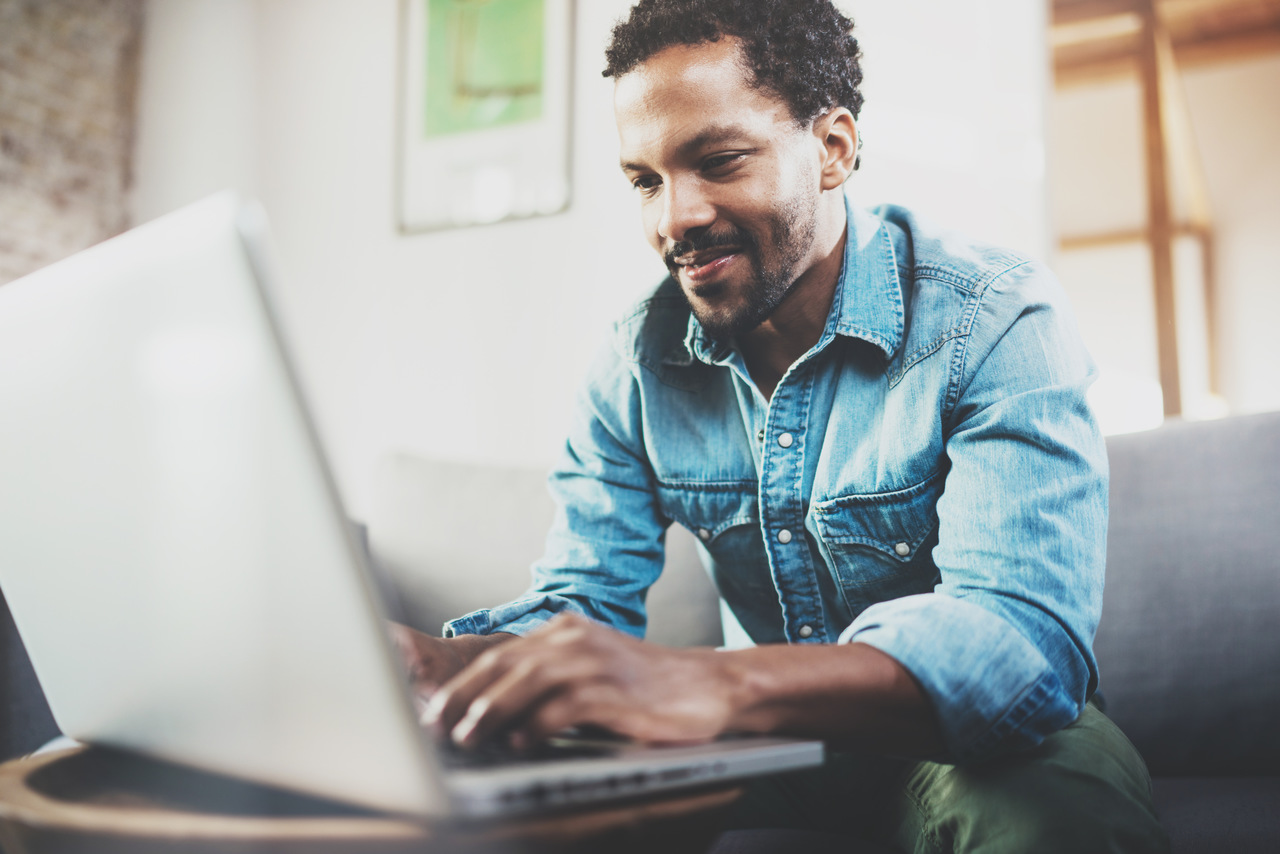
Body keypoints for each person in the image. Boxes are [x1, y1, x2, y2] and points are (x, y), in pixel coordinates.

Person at [394, 1, 1169, 850]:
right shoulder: (634, 363)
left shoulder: (994, 319)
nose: (674, 219)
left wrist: (719, 685)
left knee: (1049, 807)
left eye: (718, 160)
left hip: (967, 741)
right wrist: (453, 663)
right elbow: (584, 599)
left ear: (833, 148)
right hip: (760, 752)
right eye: (646, 180)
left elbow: (1019, 641)